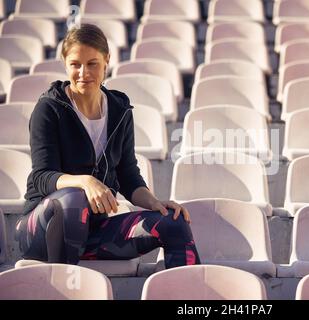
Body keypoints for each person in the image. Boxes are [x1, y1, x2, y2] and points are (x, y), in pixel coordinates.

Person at [15, 24, 201, 268]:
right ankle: (61, 290)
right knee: (72, 199)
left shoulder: (119, 110)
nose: (83, 72)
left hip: (93, 232)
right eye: (75, 64)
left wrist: (155, 203)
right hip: (42, 232)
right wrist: (85, 181)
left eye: (92, 63)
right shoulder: (49, 109)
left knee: (173, 223)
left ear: (106, 61)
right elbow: (42, 176)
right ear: (65, 64)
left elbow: (128, 176)